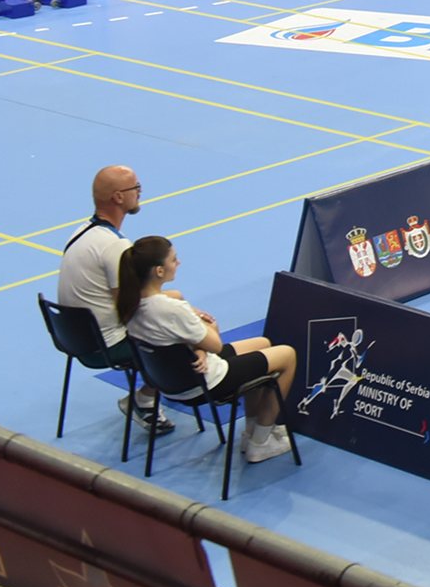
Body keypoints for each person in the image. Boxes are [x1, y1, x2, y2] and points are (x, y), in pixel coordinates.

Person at [116, 236, 298, 465]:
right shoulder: (172, 310)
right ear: (159, 271)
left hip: (169, 381)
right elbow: (215, 343)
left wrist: (199, 348)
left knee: (262, 343)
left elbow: (177, 342)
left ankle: (251, 430)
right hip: (204, 383)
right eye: (174, 259)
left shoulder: (130, 305)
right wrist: (207, 325)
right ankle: (260, 442)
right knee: (287, 355)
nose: (178, 263)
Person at [56, 165, 171, 435]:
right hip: (106, 346)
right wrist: (178, 304)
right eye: (136, 188)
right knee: (177, 335)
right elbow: (133, 307)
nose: (140, 192)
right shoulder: (115, 246)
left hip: (74, 339)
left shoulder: (81, 232)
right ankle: (145, 399)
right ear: (118, 197)